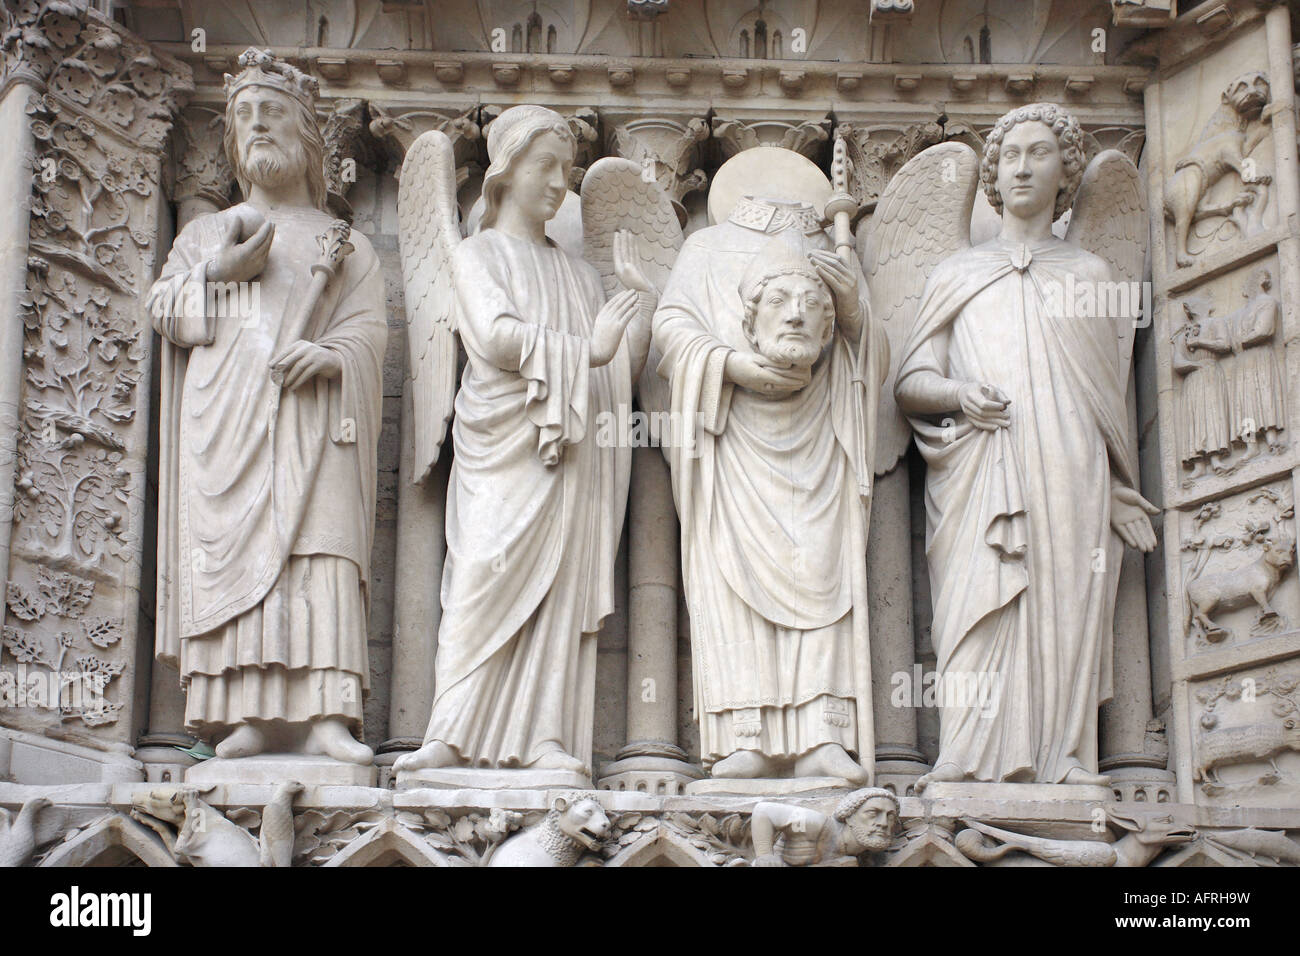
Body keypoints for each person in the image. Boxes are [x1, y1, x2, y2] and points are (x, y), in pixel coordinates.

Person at [894, 103, 1159, 790]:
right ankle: (965, 750)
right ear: (991, 173)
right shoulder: (958, 272)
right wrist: (960, 396)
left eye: (1038, 152)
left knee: (1068, 601)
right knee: (977, 598)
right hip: (984, 461)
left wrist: (1117, 484)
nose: (1020, 166)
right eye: (1008, 154)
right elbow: (911, 381)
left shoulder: (1093, 274)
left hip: (1071, 465)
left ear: (1066, 170)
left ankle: (1067, 754)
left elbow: (1108, 400)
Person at [395, 106, 649, 776]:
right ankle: (447, 732)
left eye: (568, 169)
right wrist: (585, 352)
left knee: (555, 593)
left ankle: (546, 737)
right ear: (506, 173)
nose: (560, 183)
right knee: (481, 573)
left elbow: (619, 374)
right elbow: (497, 338)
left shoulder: (581, 277)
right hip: (500, 449)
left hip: (568, 460)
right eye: (546, 166)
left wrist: (635, 312)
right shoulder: (479, 254)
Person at [149, 49, 386, 763]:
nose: (257, 126)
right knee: (238, 558)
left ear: (307, 135)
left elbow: (371, 331)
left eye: (274, 113)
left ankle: (322, 715)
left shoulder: (348, 245)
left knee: (321, 548)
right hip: (226, 421)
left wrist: (334, 356)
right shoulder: (204, 234)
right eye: (245, 116)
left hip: (318, 419)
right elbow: (165, 310)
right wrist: (221, 272)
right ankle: (243, 710)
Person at [652, 198, 888, 783]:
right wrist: (730, 365)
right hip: (732, 442)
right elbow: (670, 327)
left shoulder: (835, 256)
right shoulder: (704, 248)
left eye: (811, 305)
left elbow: (872, 358)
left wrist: (855, 310)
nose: (797, 314)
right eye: (780, 302)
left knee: (823, 578)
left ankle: (822, 734)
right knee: (731, 580)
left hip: (821, 440)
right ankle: (743, 735)